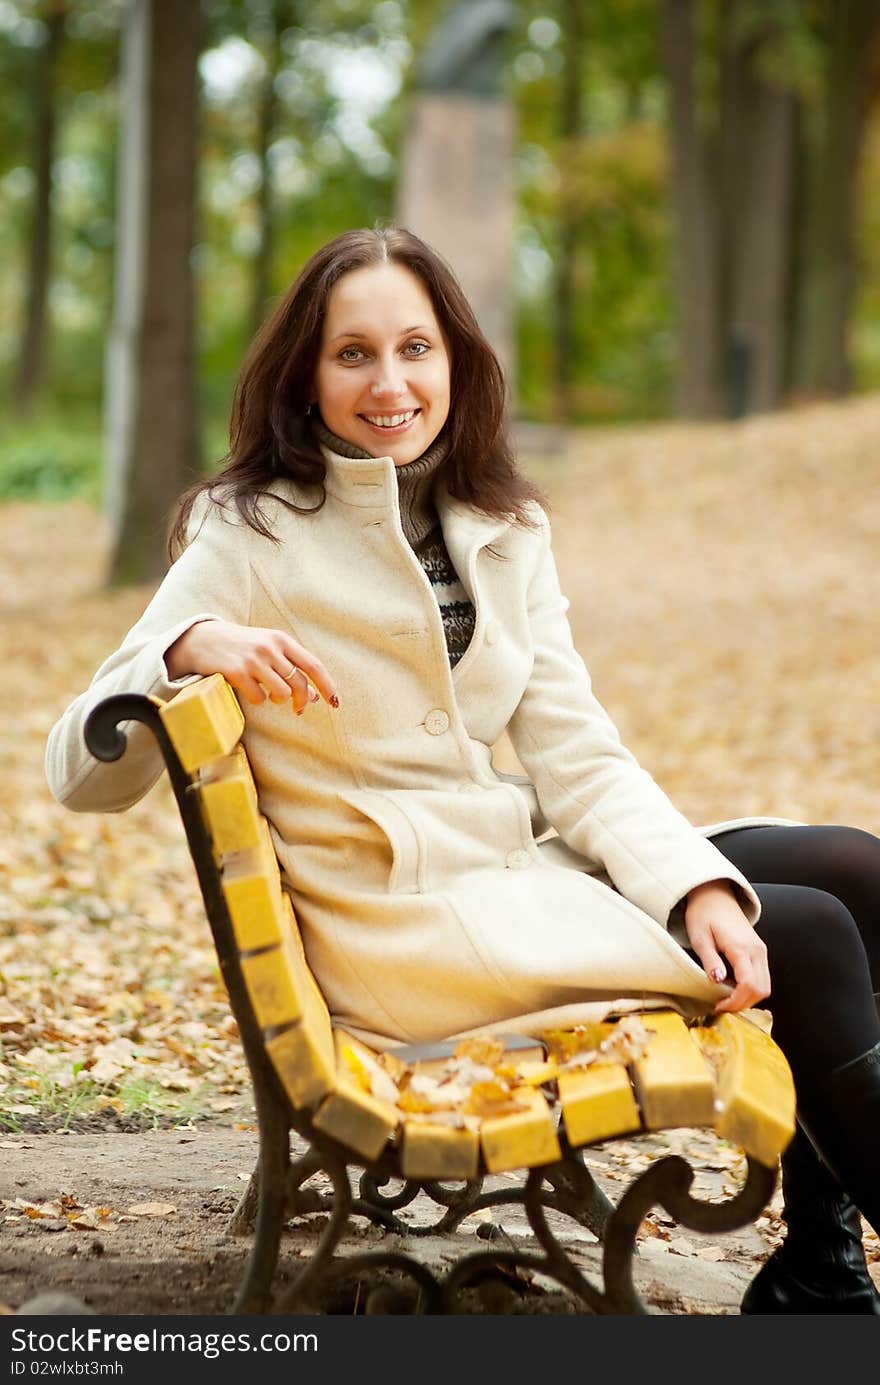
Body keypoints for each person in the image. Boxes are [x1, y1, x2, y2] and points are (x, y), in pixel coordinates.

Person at [45, 226, 880, 1315]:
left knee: (852, 869)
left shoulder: (499, 523)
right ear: (306, 374)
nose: (388, 382)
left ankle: (820, 1264)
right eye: (352, 354)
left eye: (414, 348)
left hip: (516, 871)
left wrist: (694, 885)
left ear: (456, 361)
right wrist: (183, 647)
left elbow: (574, 747)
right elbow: (82, 766)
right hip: (411, 927)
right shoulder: (248, 532)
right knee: (808, 931)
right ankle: (827, 1285)